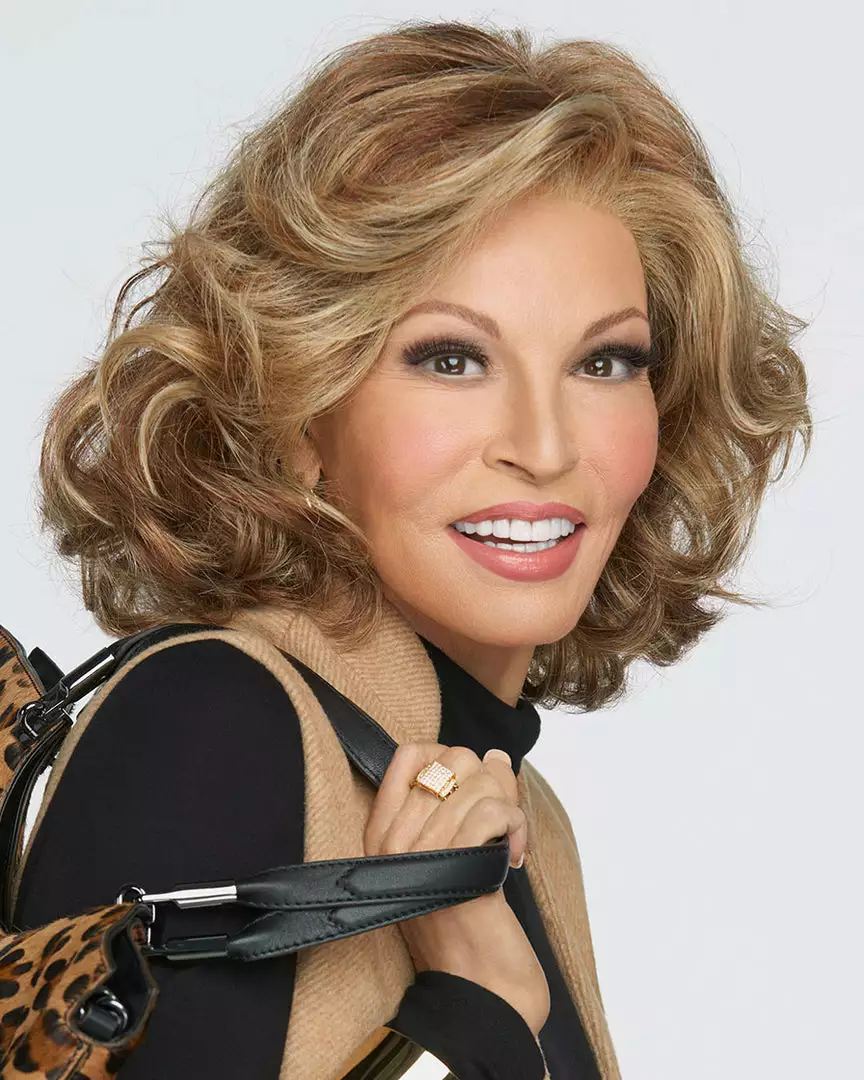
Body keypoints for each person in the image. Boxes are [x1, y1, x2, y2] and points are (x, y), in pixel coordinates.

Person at [13, 19, 811, 1080]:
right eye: (450, 358)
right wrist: (475, 1012)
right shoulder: (213, 725)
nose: (543, 447)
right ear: (300, 411)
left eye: (605, 363)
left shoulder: (524, 822)